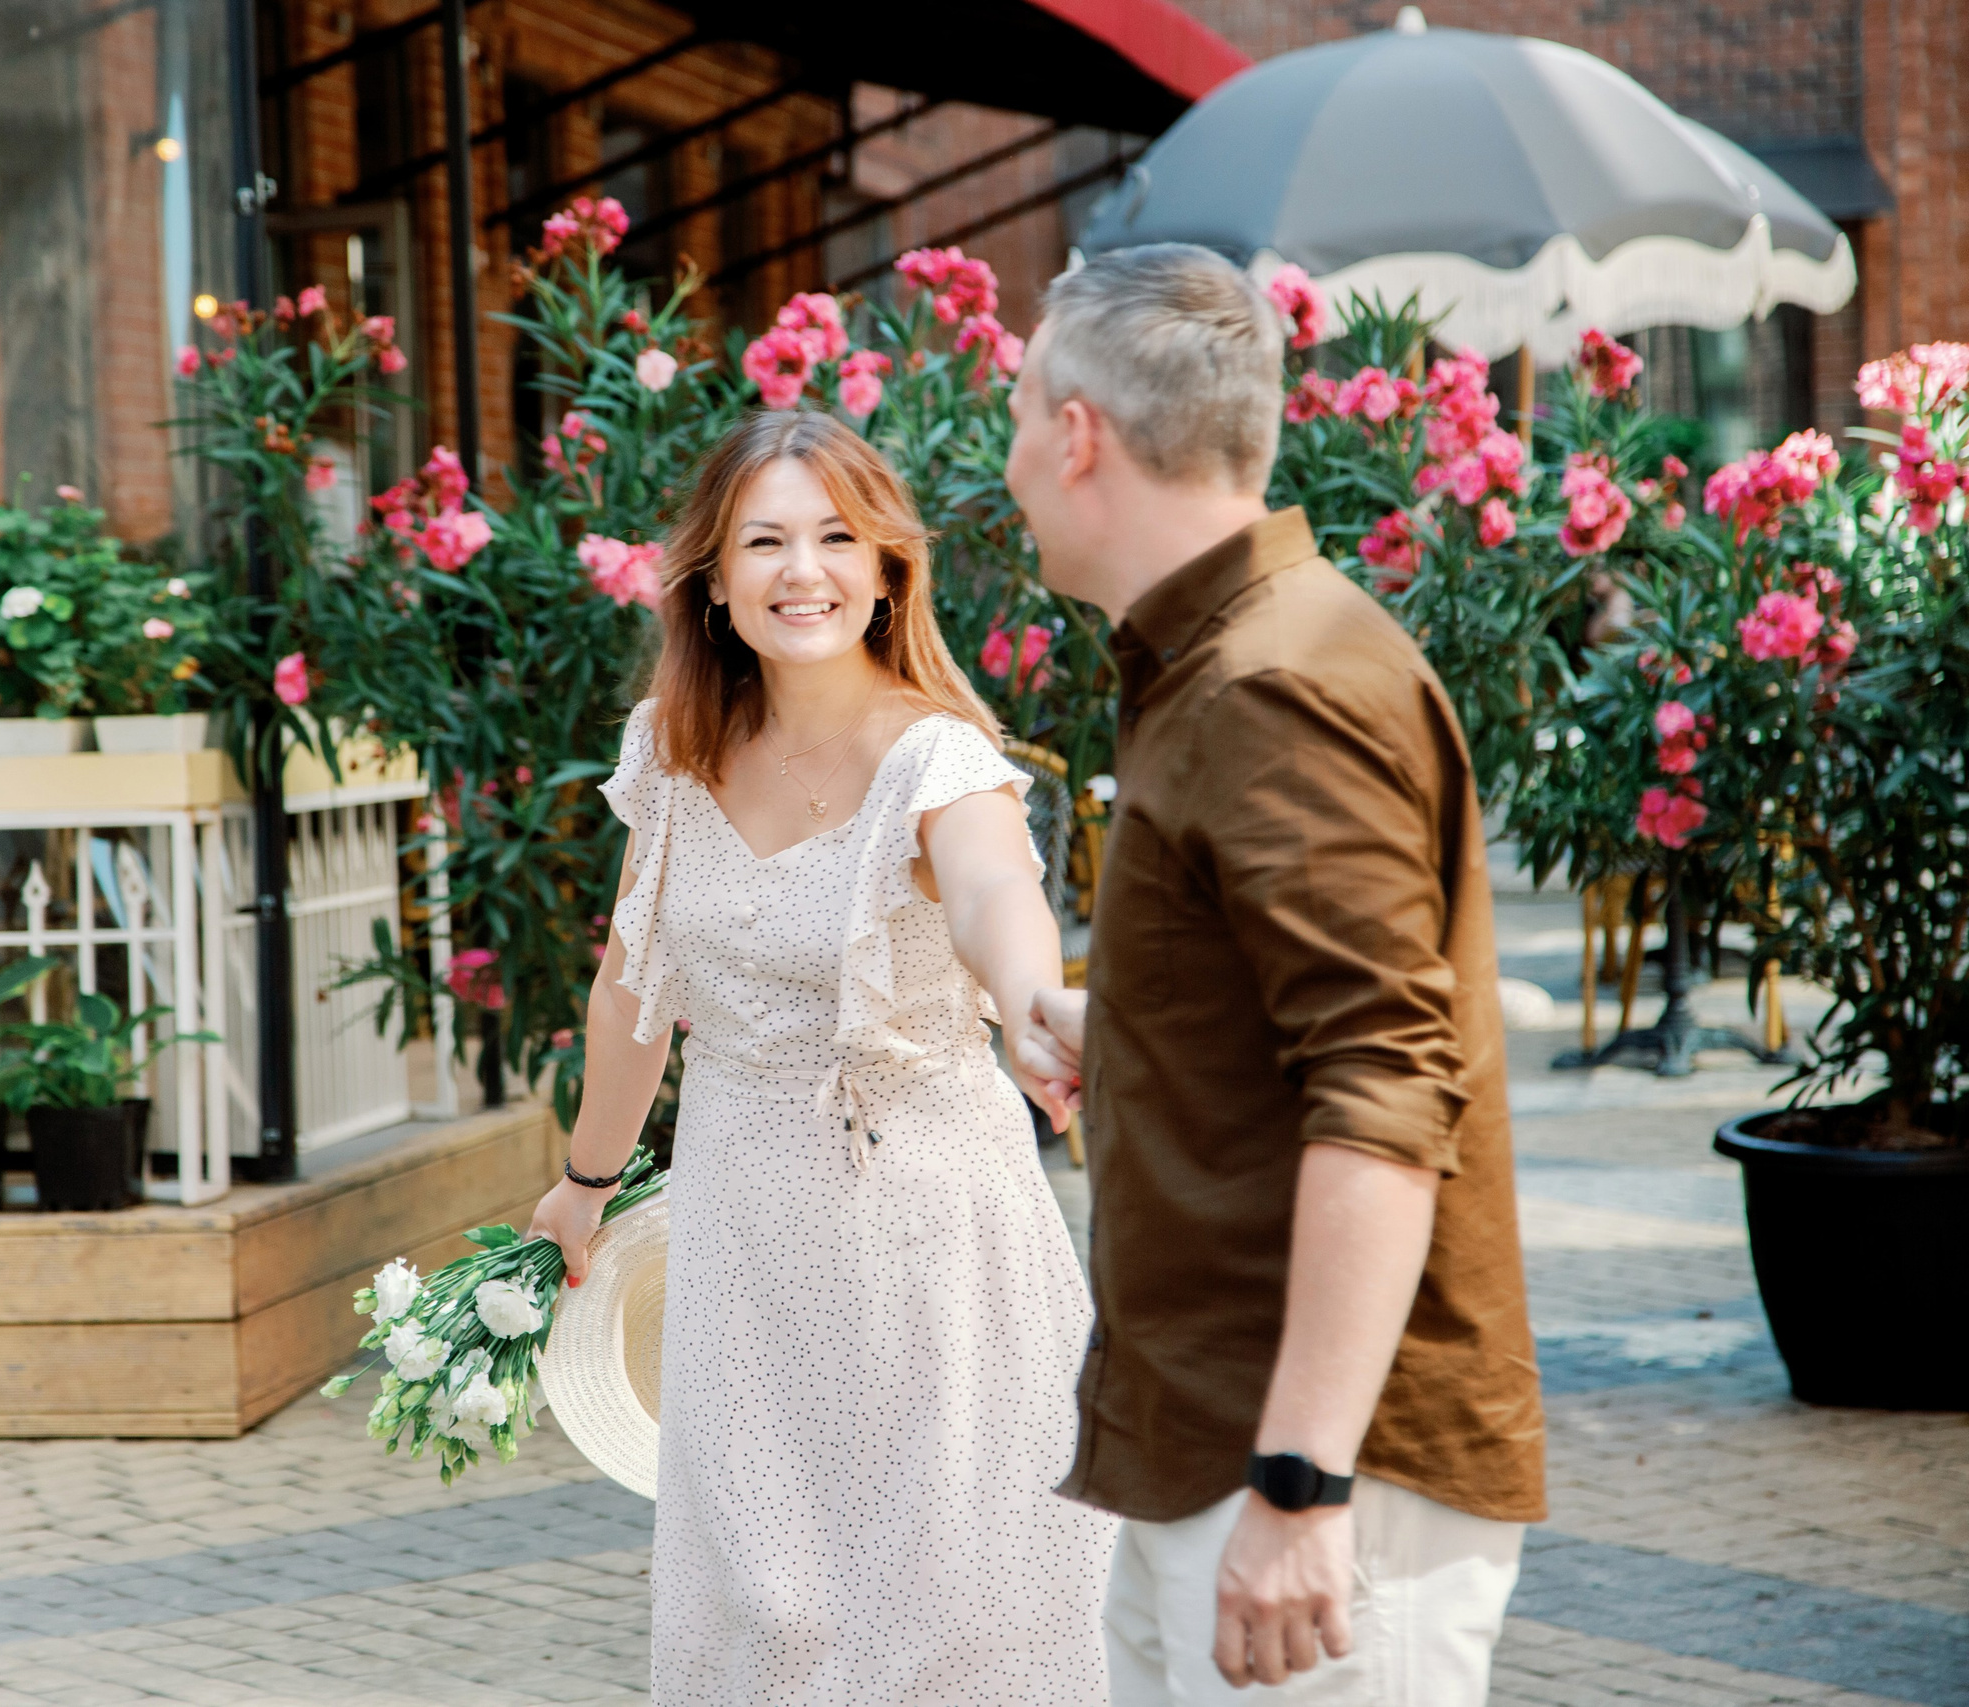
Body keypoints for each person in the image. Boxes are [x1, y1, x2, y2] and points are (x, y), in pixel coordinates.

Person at [1006, 244, 1546, 1705]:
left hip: (1308, 1473)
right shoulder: (1232, 660)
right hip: (1219, 1443)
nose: (1008, 464)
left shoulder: (1272, 683)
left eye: (1019, 419)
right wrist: (1127, 1033)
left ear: (1078, 435)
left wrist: (1304, 1483)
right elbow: (1297, 1024)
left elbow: (1384, 1084)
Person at [530, 409, 1118, 1705]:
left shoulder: (938, 756)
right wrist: (584, 1182)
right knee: (769, 1606)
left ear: (888, 570)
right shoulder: (673, 754)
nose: (804, 571)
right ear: (713, 580)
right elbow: (632, 988)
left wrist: (1036, 1000)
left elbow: (993, 895)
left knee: (950, 1608)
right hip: (742, 1231)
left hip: (929, 1235)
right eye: (766, 542)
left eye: (838, 538)